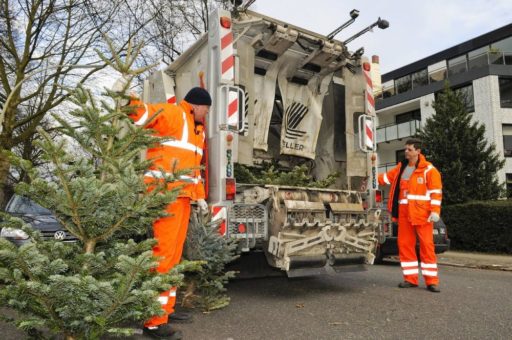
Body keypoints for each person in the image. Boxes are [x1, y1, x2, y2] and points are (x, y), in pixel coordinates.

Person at [114, 77, 211, 339]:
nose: (207, 115)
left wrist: (199, 196)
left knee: (173, 258)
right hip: (165, 198)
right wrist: (126, 98)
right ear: (198, 106)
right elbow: (142, 113)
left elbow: (194, 172)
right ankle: (153, 322)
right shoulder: (173, 114)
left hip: (182, 200)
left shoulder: (196, 131)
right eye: (207, 110)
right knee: (163, 257)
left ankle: (165, 309)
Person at [378, 138, 443, 293]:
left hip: (422, 215)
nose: (406, 152)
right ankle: (410, 279)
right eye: (406, 149)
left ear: (418, 151)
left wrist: (435, 211)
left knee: (427, 247)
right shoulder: (402, 168)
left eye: (409, 149)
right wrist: (370, 176)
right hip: (404, 214)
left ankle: (431, 281)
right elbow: (386, 178)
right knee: (405, 246)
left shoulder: (429, 170)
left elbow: (436, 192)